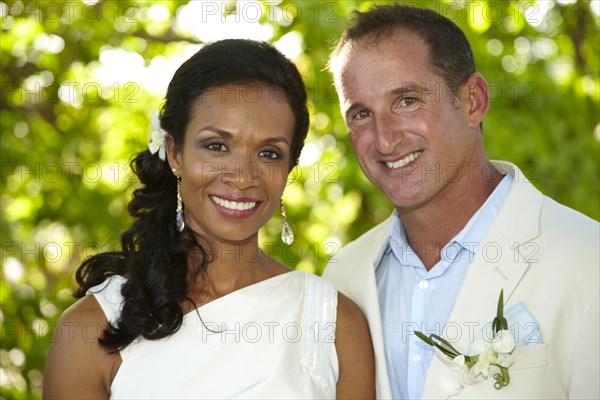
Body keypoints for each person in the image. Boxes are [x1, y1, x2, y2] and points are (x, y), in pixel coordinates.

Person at [43, 39, 375, 399]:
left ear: (288, 170)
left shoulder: (336, 324)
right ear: (174, 152)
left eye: (268, 153)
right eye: (217, 145)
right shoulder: (93, 327)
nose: (243, 176)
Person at [324, 4, 599, 399]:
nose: (384, 139)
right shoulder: (342, 278)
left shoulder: (589, 261)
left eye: (407, 101)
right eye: (362, 114)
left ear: (473, 101)